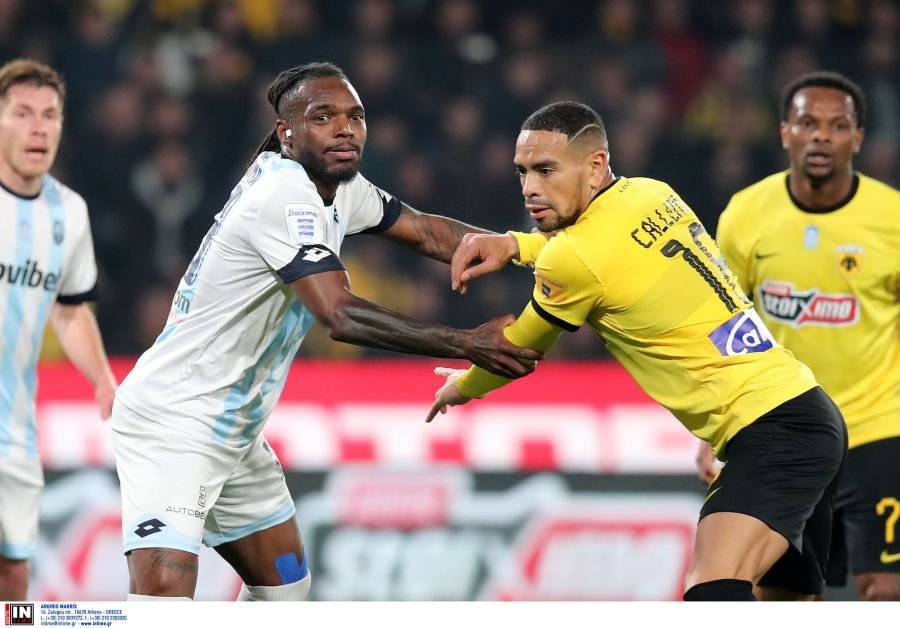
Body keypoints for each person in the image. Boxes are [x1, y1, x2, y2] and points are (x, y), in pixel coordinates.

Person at [109, 61, 541, 601]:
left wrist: (537, 251)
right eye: (323, 117)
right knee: (163, 603)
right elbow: (339, 315)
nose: (345, 129)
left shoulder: (340, 188)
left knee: (285, 591)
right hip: (174, 419)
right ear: (286, 133)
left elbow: (428, 233)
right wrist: (466, 342)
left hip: (232, 429)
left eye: (355, 116)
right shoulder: (283, 196)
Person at [428, 101, 848, 601]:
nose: (530, 188)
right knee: (783, 600)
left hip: (773, 433)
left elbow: (517, 349)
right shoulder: (652, 193)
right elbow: (597, 249)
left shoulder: (574, 259)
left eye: (546, 170)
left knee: (712, 589)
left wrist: (464, 387)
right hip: (806, 409)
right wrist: (516, 245)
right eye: (522, 171)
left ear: (596, 165)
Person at [695, 71, 900, 601]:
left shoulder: (892, 219)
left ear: (858, 137)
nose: (821, 136)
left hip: (878, 427)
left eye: (838, 125)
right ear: (785, 131)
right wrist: (711, 433)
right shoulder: (746, 214)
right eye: (808, 123)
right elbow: (721, 323)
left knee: (886, 589)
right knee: (783, 598)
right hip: (789, 430)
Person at [0, 59, 117, 600]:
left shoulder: (69, 212)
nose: (38, 128)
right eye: (23, 114)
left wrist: (102, 379)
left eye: (49, 116)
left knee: (13, 571)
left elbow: (70, 310)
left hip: (14, 428)